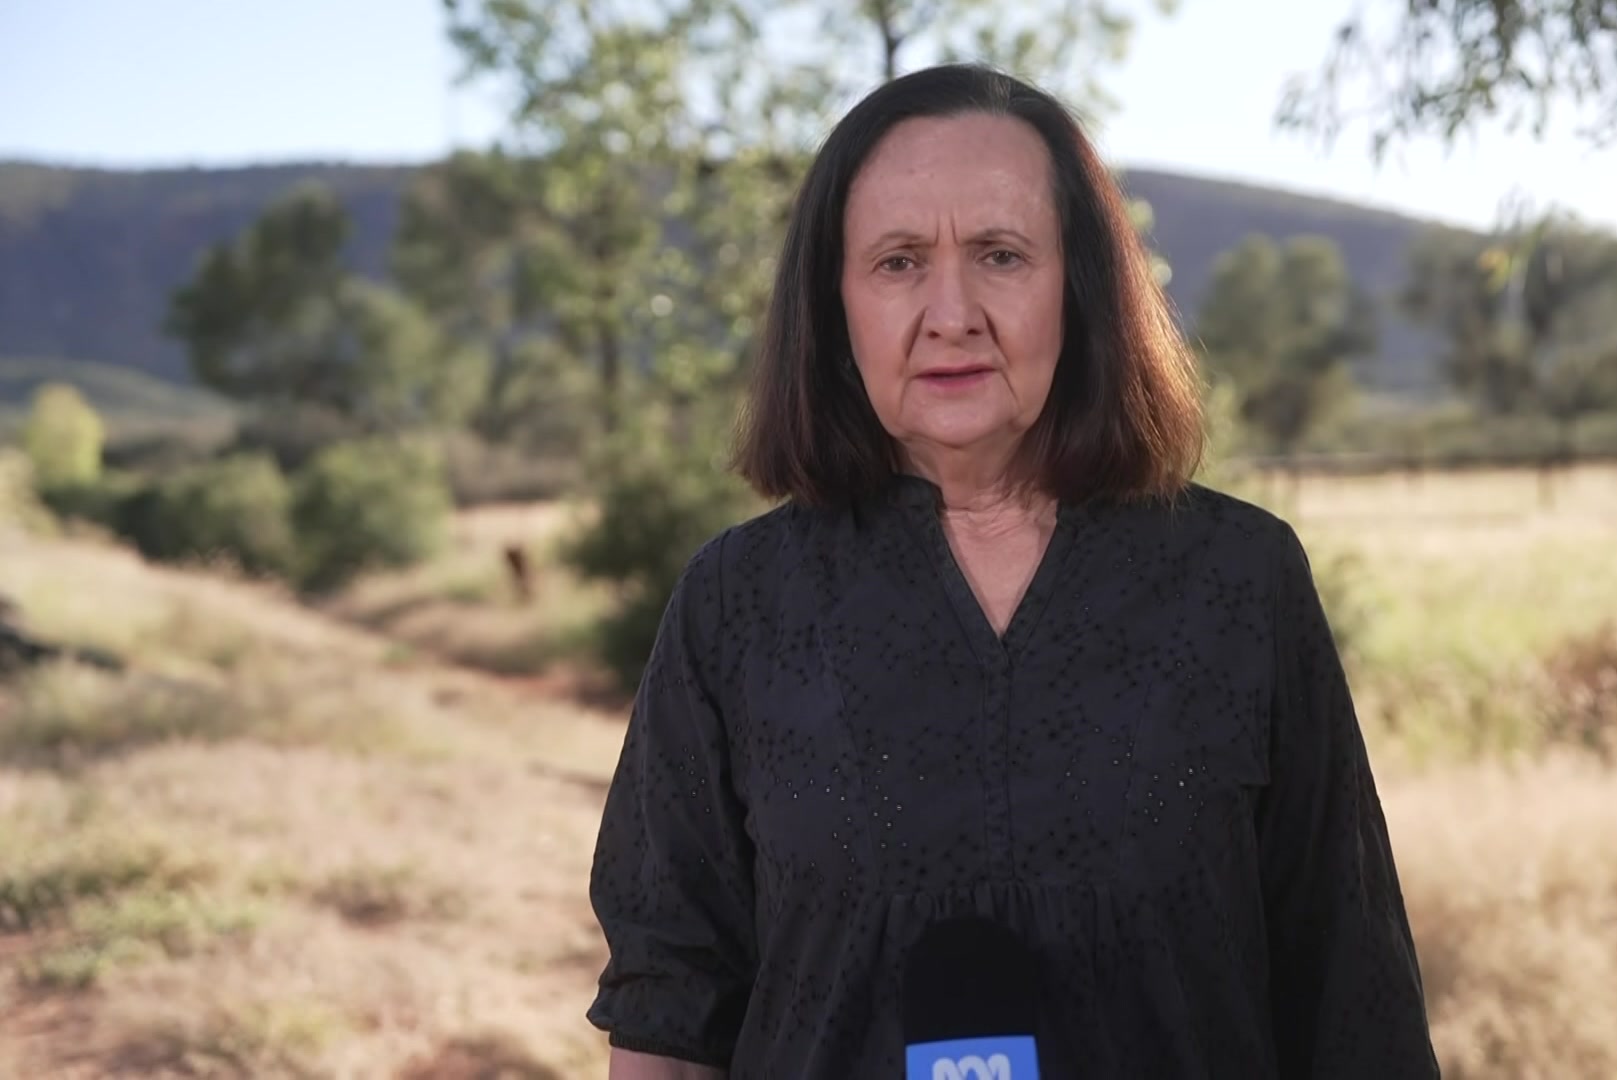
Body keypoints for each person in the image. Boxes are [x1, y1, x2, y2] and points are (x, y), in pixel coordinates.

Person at [586, 63, 1439, 1079]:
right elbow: (669, 1019)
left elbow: (1353, 994)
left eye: (1000, 254)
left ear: (1079, 286)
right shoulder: (737, 604)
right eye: (898, 262)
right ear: (836, 305)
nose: (952, 313)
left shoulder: (1239, 581)